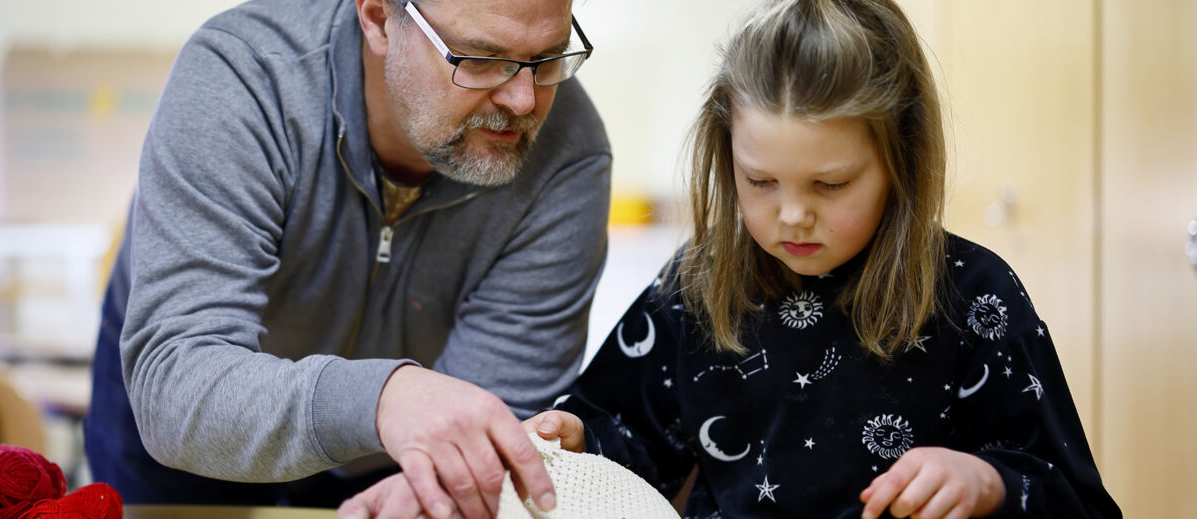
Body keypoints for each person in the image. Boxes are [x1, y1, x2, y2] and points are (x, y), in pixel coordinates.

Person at [341, 0, 1123, 517]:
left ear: (901, 161)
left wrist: (988, 484)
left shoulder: (976, 296)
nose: (790, 214)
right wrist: (576, 437)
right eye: (759, 180)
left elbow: (1078, 498)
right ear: (727, 159)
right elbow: (622, 434)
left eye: (831, 183)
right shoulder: (699, 283)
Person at [83, 0, 611, 514]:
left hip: (402, 445)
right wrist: (381, 398)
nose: (523, 101)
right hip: (199, 417)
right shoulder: (246, 75)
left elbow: (484, 426)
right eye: (479, 58)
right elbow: (178, 390)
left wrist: (418, 434)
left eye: (548, 58)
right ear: (379, 19)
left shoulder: (570, 154)